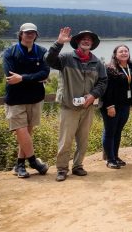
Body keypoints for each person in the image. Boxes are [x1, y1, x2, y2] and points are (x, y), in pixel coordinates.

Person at [46, 28, 107, 182]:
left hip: (88, 107)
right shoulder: (66, 58)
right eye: (83, 39)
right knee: (65, 139)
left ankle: (78, 166)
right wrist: (59, 42)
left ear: (92, 43)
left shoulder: (97, 62)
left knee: (83, 139)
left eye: (89, 39)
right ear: (77, 42)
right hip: (69, 106)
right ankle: (61, 168)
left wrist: (93, 95)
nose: (86, 41)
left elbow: (103, 81)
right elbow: (48, 59)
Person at [2, 22, 50, 178]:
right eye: (26, 32)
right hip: (15, 99)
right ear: (20, 34)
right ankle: (34, 162)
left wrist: (22, 77)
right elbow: (10, 76)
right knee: (21, 131)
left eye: (33, 33)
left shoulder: (42, 51)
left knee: (27, 133)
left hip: (35, 98)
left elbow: (45, 73)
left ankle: (20, 165)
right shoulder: (10, 52)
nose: (30, 35)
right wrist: (34, 77)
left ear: (36, 35)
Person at [101, 44, 132, 169]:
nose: (124, 53)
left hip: (125, 104)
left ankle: (115, 156)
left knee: (118, 131)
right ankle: (110, 159)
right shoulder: (109, 68)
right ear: (115, 54)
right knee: (110, 131)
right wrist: (109, 106)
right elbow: (107, 89)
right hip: (111, 105)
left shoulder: (131, 67)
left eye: (126, 51)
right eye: (121, 51)